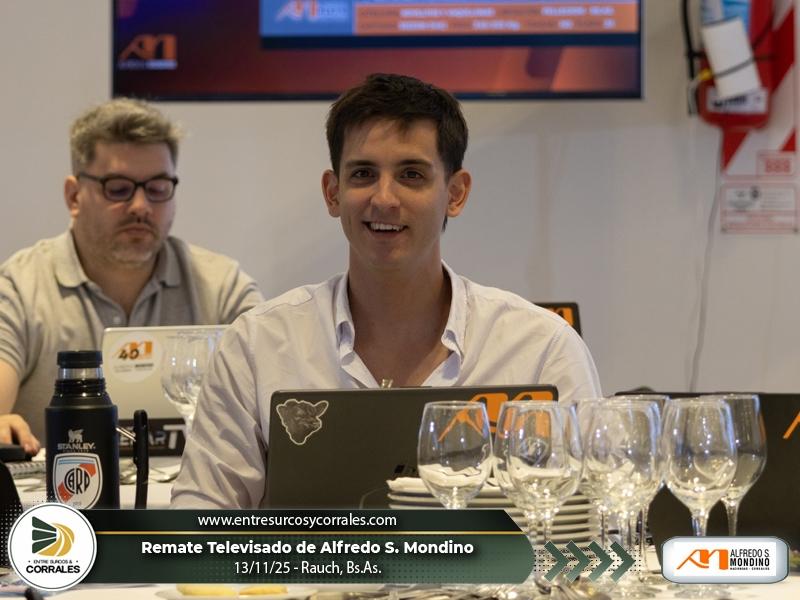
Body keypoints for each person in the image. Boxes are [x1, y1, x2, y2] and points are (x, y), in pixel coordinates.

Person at [172, 73, 601, 508]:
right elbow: (198, 520)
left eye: (411, 175)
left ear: (455, 194)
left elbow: (590, 523)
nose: (384, 199)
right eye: (363, 174)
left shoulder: (540, 350)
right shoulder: (257, 345)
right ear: (333, 192)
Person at [0, 98, 263, 450]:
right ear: (74, 196)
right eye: (118, 188)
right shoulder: (20, 287)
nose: (141, 206)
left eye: (157, 188)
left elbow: (274, 401)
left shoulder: (222, 287)